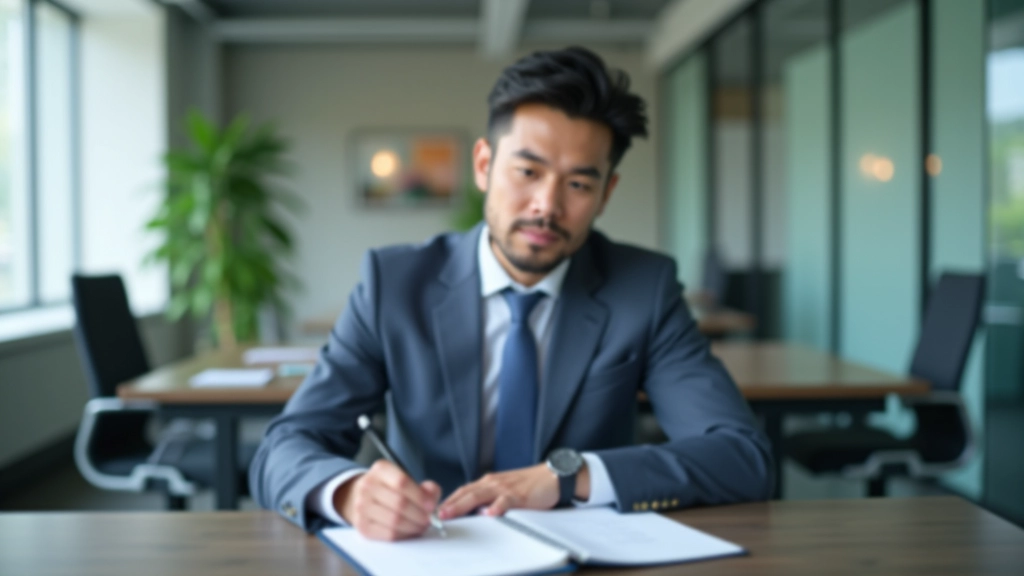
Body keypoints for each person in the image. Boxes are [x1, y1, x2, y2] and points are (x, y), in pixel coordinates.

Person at [250, 46, 773, 541]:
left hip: (585, 556)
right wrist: (347, 494)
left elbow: (741, 457)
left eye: (578, 184)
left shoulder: (644, 290)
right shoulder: (394, 284)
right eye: (527, 171)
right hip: (432, 550)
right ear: (484, 165)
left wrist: (571, 475)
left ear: (606, 194)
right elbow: (284, 447)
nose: (546, 205)